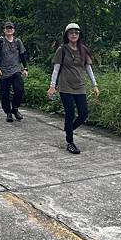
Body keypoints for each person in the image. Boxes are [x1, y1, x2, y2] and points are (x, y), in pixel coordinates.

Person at [47, 23, 100, 154]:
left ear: (79, 34)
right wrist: (52, 86)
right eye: (71, 33)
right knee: (70, 113)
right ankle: (70, 142)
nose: (74, 34)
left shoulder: (83, 49)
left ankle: (68, 128)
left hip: (80, 86)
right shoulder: (62, 49)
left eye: (76, 32)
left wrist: (95, 85)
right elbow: (56, 69)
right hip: (65, 86)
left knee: (83, 113)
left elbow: (88, 68)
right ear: (67, 35)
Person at [0, 21, 28, 122]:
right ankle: (8, 112)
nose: (9, 30)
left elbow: (22, 55)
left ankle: (15, 109)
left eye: (11, 28)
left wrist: (25, 68)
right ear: (4, 30)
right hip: (3, 71)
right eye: (7, 28)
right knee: (4, 93)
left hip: (16, 70)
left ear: (14, 30)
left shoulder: (18, 41)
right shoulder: (0, 41)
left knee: (19, 90)